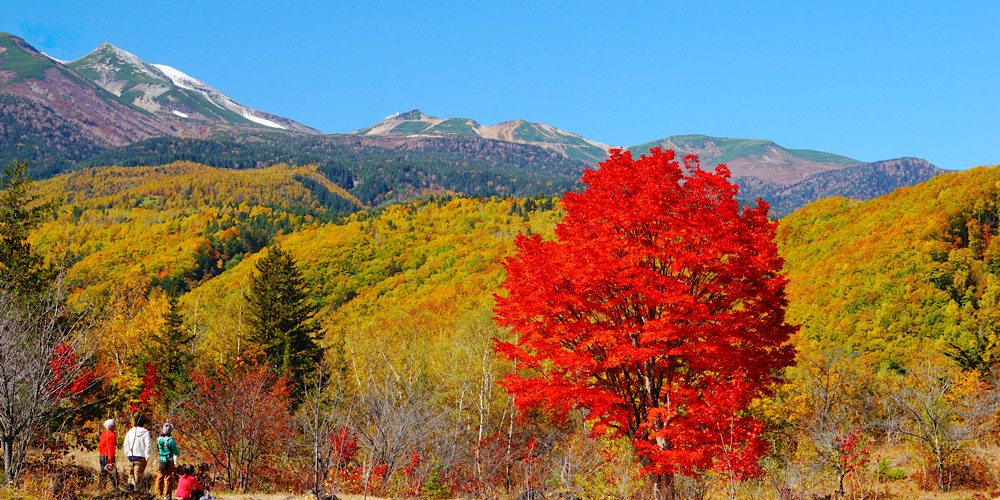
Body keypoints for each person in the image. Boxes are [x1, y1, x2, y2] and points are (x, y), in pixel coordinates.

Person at [122, 414, 153, 490]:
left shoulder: (130, 432)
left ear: (135, 422)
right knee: (137, 477)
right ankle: (134, 491)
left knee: (131, 476)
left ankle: (129, 490)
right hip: (140, 457)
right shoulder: (146, 432)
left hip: (130, 456)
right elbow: (148, 445)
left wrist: (127, 454)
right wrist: (147, 457)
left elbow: (125, 444)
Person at [153, 423, 181, 500]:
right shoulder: (170, 440)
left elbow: (158, 449)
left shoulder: (159, 439)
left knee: (159, 477)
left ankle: (157, 493)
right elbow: (176, 451)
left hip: (161, 460)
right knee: (168, 478)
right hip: (169, 461)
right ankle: (167, 496)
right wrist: (177, 454)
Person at [97, 419, 119, 489]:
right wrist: (111, 462)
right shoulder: (112, 435)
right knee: (113, 474)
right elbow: (111, 448)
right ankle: (117, 488)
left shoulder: (103, 434)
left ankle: (101, 488)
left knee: (103, 473)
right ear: (111, 426)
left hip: (102, 456)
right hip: (108, 456)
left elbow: (100, 446)